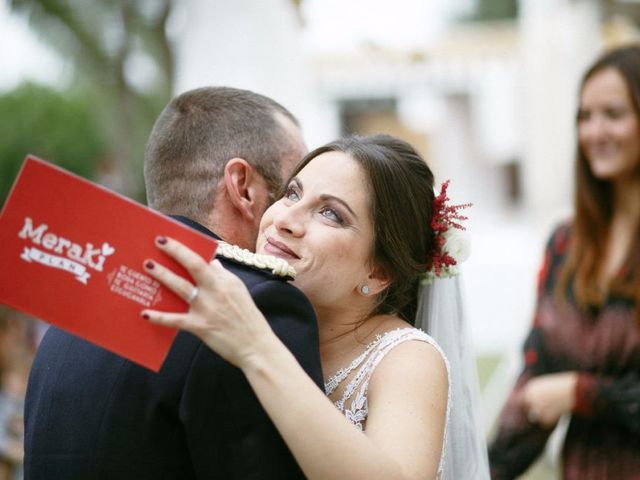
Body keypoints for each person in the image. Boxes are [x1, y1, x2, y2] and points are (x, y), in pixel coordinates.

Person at [141, 134, 490, 479]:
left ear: (379, 272)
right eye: (292, 193)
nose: (284, 220)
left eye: (330, 214)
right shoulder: (242, 313)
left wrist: (255, 348)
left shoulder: (408, 357)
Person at [23, 86, 324, 479]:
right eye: (289, 191)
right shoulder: (258, 303)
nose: (293, 212)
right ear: (243, 187)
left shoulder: (74, 309)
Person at [488, 45, 640, 479]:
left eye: (613, 114)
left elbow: (561, 389)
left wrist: (581, 393)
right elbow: (538, 376)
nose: (594, 131)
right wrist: (481, 470)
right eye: (584, 116)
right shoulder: (565, 244)